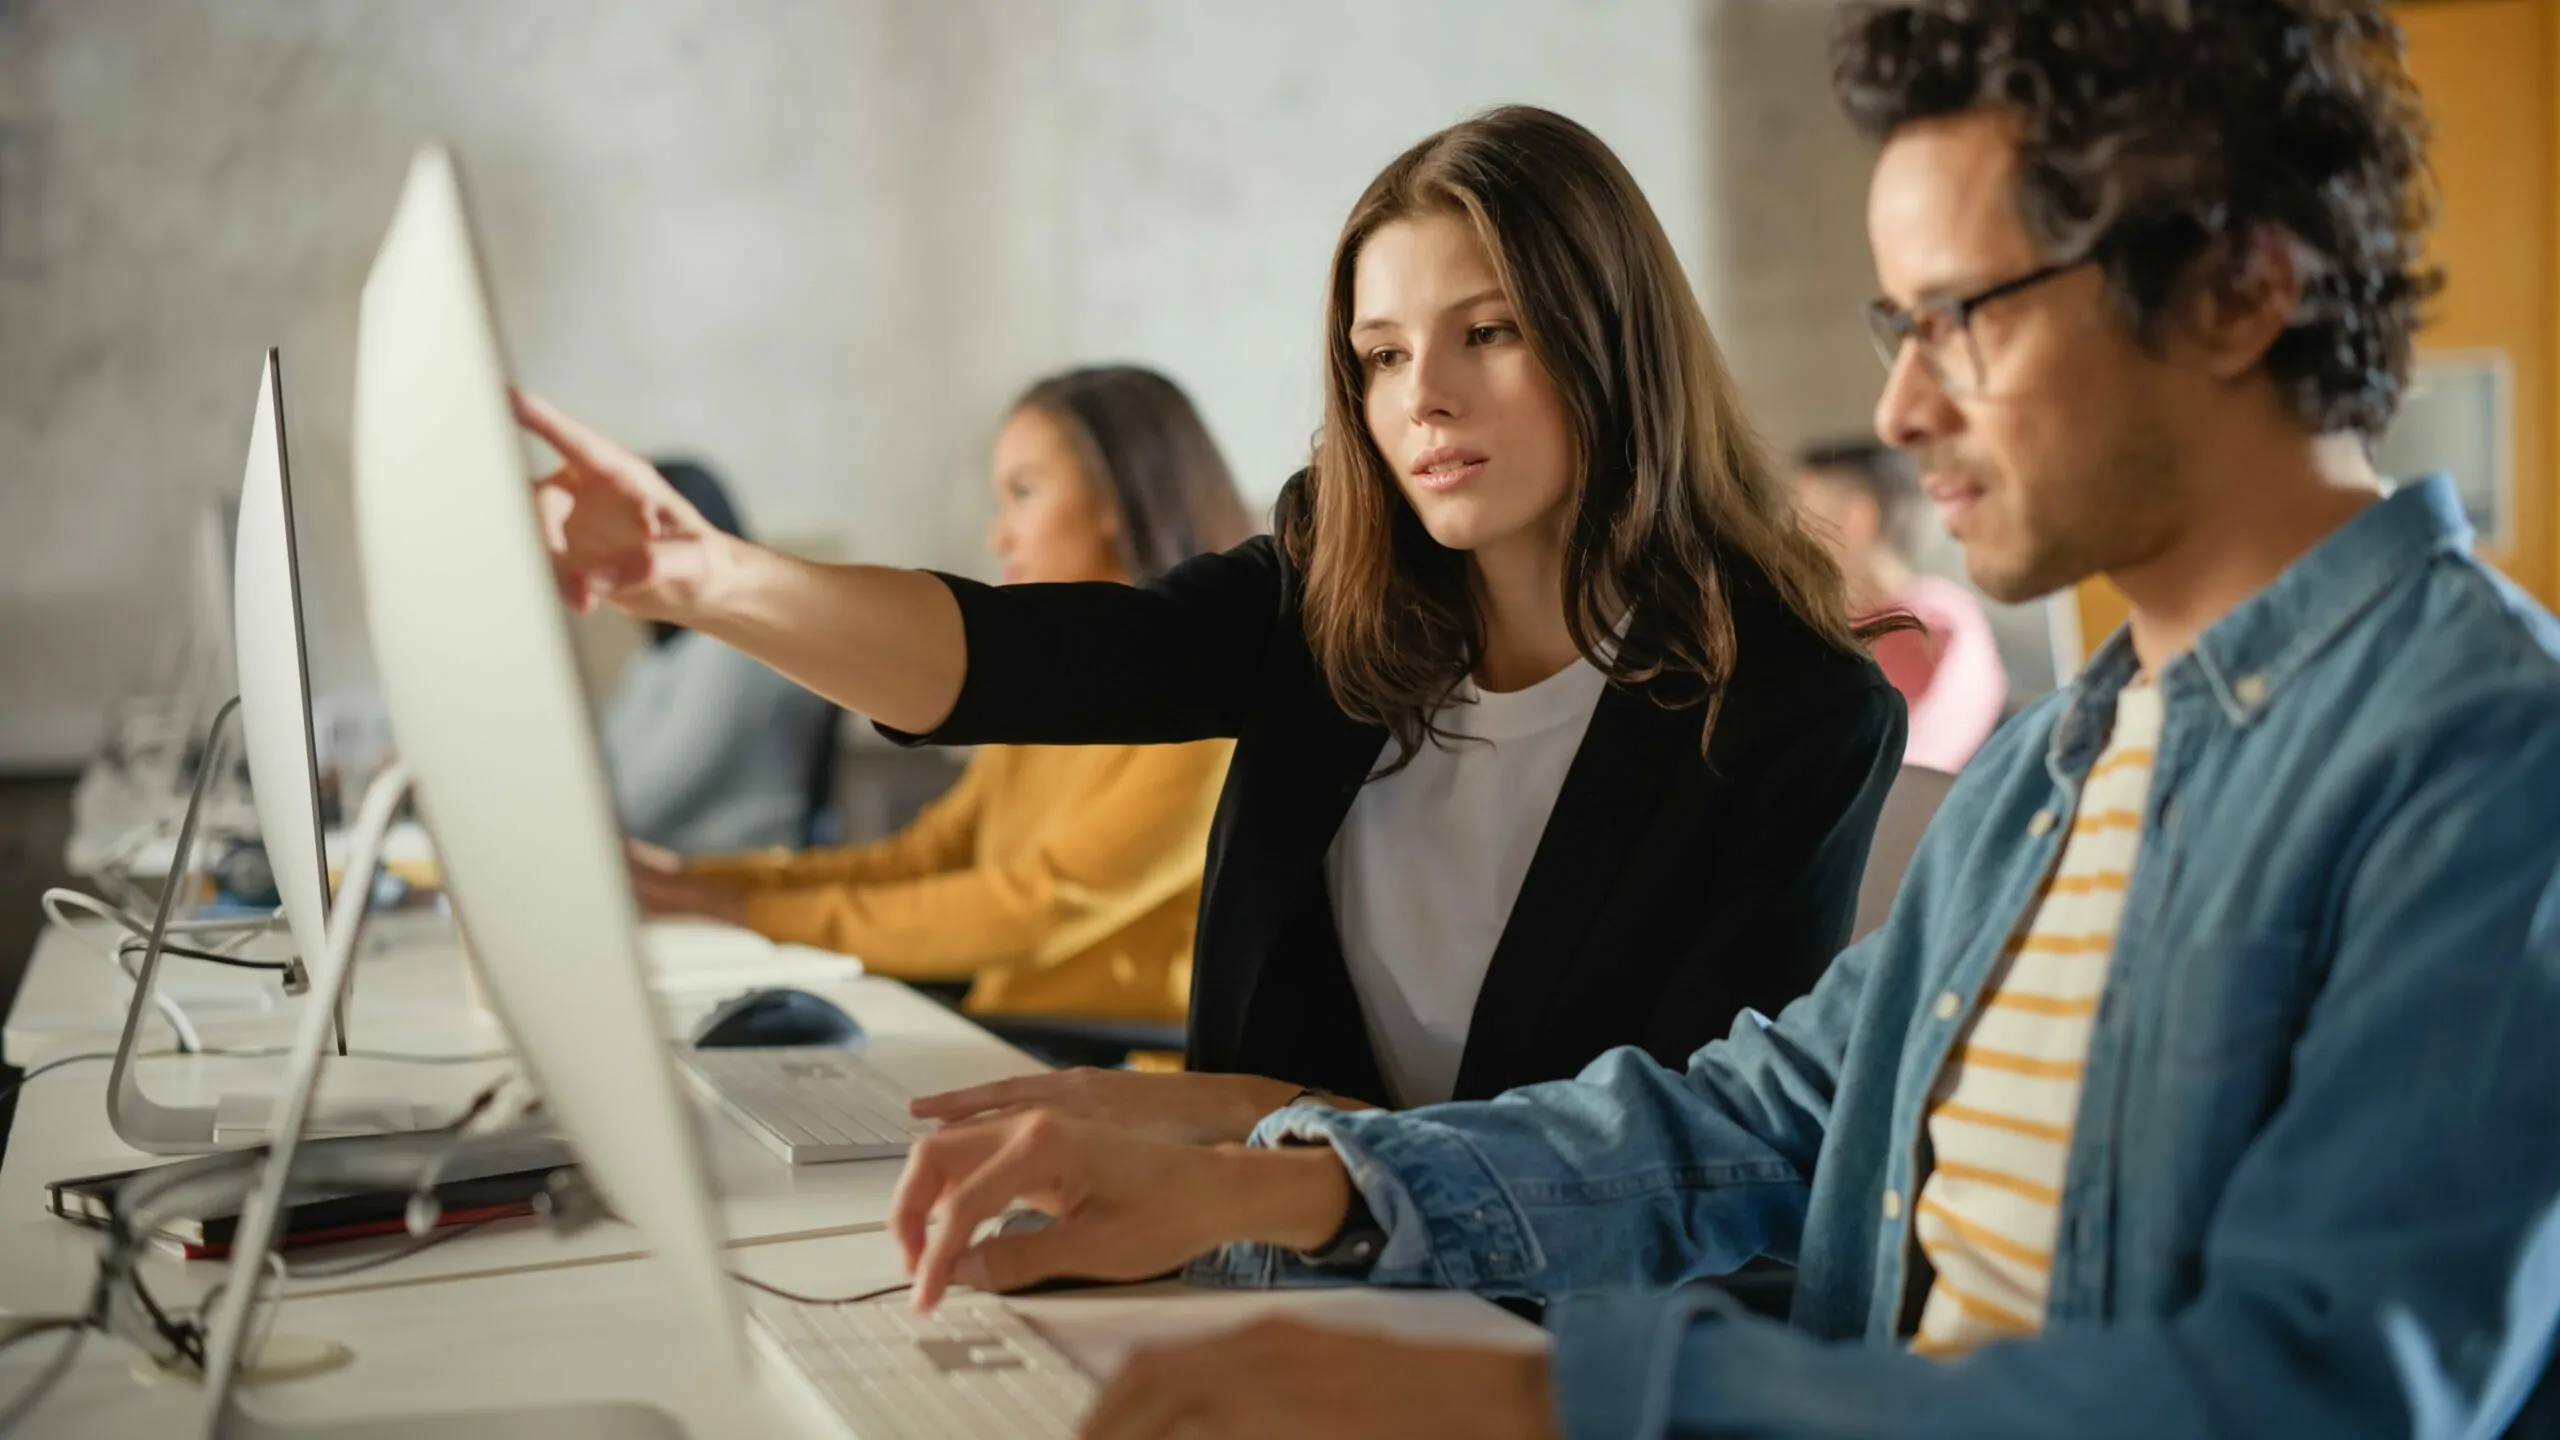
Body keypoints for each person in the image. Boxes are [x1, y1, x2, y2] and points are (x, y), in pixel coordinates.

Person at [882, 5, 2560, 1436]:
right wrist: (1274, 1181)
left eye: (1962, 316)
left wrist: (1527, 1403)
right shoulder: (2072, 759)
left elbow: (2305, 1395)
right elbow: (1753, 1116)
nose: (1903, 408)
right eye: (1896, 329)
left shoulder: (2487, 755)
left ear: (2238, 291)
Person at [521, 106, 1908, 1144]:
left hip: (1539, 1353)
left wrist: (1248, 1127)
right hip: (1270, 1262)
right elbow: (1014, 660)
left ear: (1611, 340)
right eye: (1377, 355)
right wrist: (702, 578)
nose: (1421, 395)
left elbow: (1678, 1160)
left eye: (1488, 332)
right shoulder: (1328, 593)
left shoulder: (1794, 716)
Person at [627, 367, 1247, 1024]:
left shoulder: (1213, 712)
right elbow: (922, 861)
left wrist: (732, 909)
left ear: (1119, 496)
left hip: (1113, 1069)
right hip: (1011, 1043)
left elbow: (1030, 909)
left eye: (1024, 494)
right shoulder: (1058, 692)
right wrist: (694, 881)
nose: (997, 536)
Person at [597, 460, 837, 853]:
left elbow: (642, 805)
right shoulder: (659, 655)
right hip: (672, 864)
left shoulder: (732, 650)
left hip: (734, 866)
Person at [1794, 438, 2006, 770]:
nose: (1788, 537)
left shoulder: (1919, 629)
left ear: (1856, 519)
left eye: (1803, 515)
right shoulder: (1943, 615)